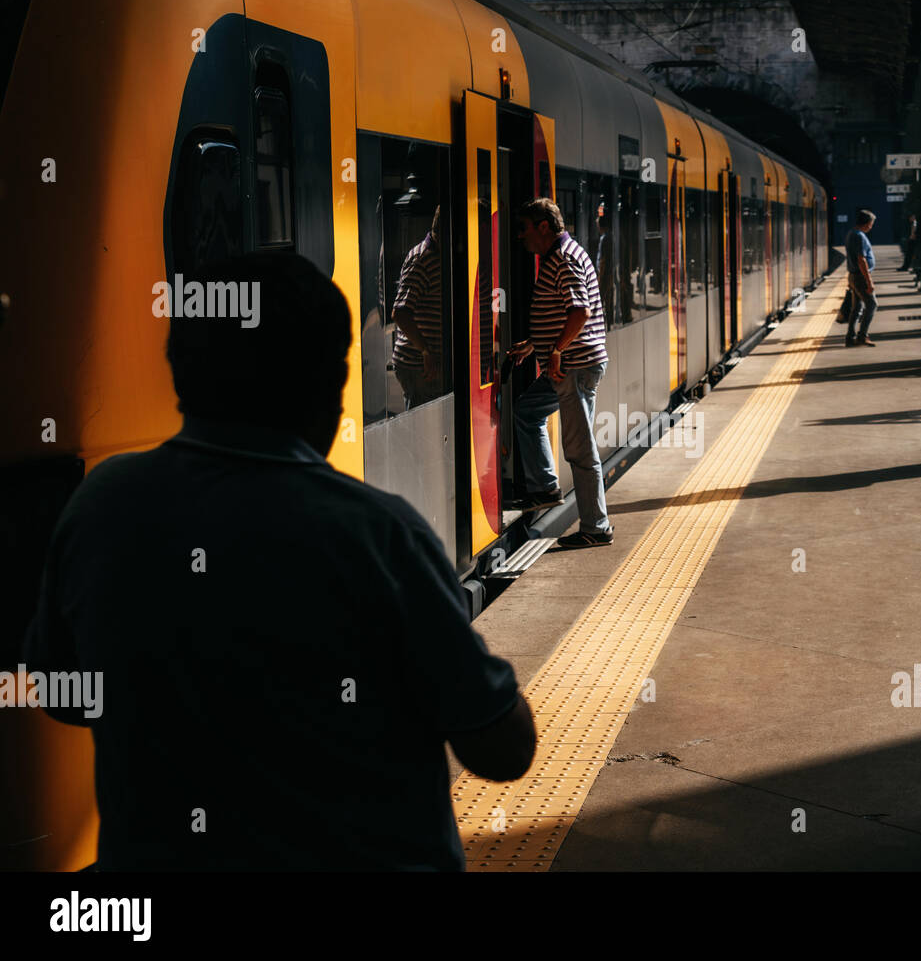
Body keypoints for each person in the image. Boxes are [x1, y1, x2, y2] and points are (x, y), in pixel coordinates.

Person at [23, 251, 535, 870]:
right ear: (324, 385)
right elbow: (502, 749)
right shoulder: (380, 536)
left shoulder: (100, 506)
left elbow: (60, 690)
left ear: (180, 370)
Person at [506, 198, 613, 549]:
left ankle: (596, 528)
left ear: (543, 227)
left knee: (579, 449)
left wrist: (555, 349)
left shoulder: (563, 258)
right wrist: (534, 344)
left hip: (574, 366)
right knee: (527, 411)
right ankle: (545, 488)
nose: (521, 237)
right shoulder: (562, 254)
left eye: (524, 229)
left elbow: (579, 311)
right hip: (567, 365)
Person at [390, 206, 443, 411]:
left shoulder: (439, 256)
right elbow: (400, 313)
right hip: (418, 365)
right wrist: (426, 351)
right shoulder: (422, 258)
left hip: (427, 364)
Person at [845, 208, 878, 347]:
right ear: (867, 223)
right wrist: (869, 281)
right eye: (871, 223)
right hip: (860, 277)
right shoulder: (859, 236)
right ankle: (862, 336)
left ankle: (850, 337)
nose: (871, 226)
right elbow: (861, 259)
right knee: (872, 305)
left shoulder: (851, 233)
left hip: (853, 276)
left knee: (857, 307)